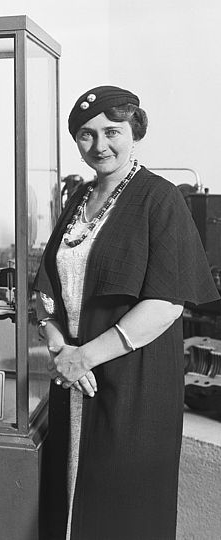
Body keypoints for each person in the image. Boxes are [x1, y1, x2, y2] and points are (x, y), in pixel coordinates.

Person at [34, 85, 219, 539]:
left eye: (111, 131)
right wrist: (59, 346)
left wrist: (84, 357)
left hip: (133, 382)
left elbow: (167, 302)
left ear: (134, 129)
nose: (100, 146)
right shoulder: (77, 202)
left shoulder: (161, 199)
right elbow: (46, 292)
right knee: (68, 502)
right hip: (72, 378)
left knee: (124, 507)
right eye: (86, 135)